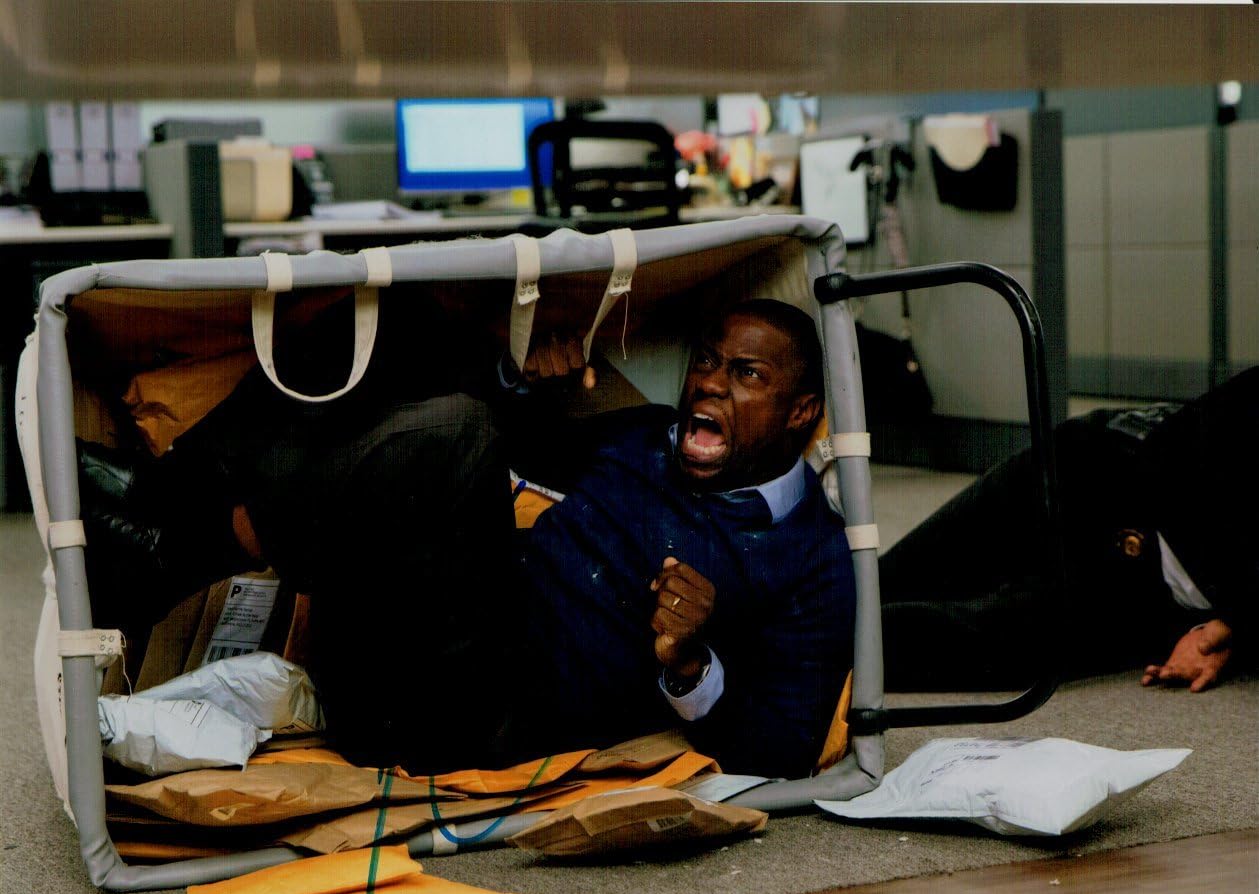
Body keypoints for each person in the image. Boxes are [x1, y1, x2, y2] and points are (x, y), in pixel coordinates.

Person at [79, 299, 856, 778]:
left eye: (746, 375)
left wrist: (689, 666)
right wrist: (523, 376)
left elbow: (785, 744)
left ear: (800, 412)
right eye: (707, 363)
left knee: (455, 432)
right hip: (423, 622)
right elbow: (519, 445)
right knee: (391, 325)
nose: (708, 384)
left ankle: (173, 554)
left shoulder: (812, 556)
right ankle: (166, 497)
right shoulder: (651, 435)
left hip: (477, 720)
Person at [879, 366, 1256, 694]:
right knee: (896, 577)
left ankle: (841, 646)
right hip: (1111, 471)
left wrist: (1228, 632)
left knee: (988, 646)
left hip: (1159, 588)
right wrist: (1230, 628)